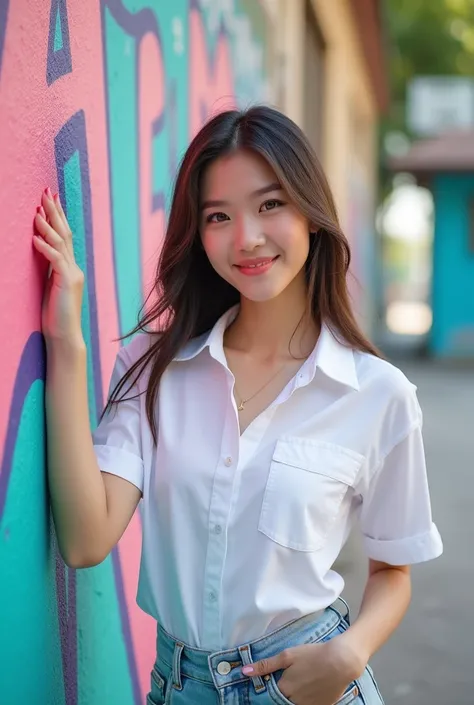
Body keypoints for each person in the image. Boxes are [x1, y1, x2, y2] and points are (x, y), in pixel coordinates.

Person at [33, 106, 443, 705]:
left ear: (310, 211)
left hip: (309, 682)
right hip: (178, 686)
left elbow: (394, 570)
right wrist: (65, 341)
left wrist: (349, 653)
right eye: (218, 216)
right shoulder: (156, 370)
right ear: (198, 236)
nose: (247, 237)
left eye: (270, 205)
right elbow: (86, 538)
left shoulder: (378, 395)